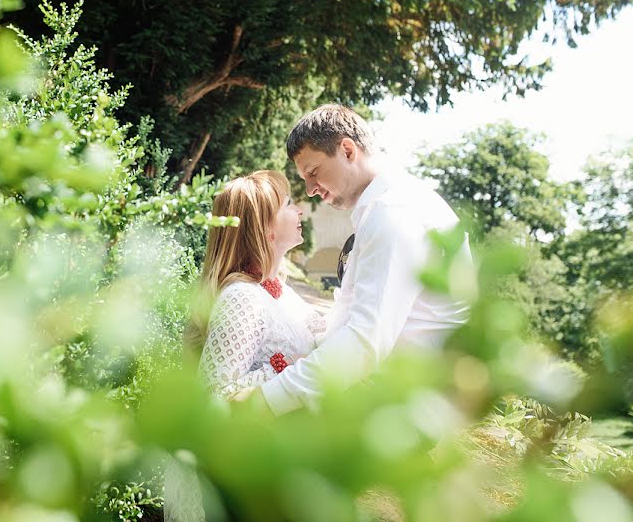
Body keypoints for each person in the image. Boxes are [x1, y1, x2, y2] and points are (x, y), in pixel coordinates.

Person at [255, 103, 472, 416]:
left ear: (347, 150)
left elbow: (364, 342)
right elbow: (352, 313)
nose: (311, 190)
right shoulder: (383, 208)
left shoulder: (394, 214)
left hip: (400, 414)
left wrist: (263, 400)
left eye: (313, 172)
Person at [165, 170, 327, 522]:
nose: (299, 210)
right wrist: (290, 366)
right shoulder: (241, 297)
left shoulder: (278, 290)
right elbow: (217, 396)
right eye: (287, 204)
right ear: (264, 227)